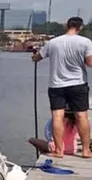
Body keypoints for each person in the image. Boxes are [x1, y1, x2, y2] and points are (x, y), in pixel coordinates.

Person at [32, 16, 92, 158]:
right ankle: (85, 150)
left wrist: (33, 57)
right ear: (80, 27)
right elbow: (90, 63)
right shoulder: (86, 42)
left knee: (57, 116)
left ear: (67, 25)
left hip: (56, 85)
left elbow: (38, 57)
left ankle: (59, 151)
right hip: (77, 84)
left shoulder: (53, 42)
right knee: (81, 116)